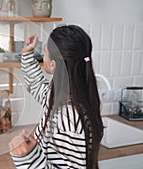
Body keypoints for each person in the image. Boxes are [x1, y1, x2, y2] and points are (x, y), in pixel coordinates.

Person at [9, 25, 103, 169]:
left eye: (44, 52)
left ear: (53, 65)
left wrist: (29, 157)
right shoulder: (66, 96)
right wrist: (27, 54)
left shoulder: (68, 119)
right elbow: (37, 85)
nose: (43, 56)